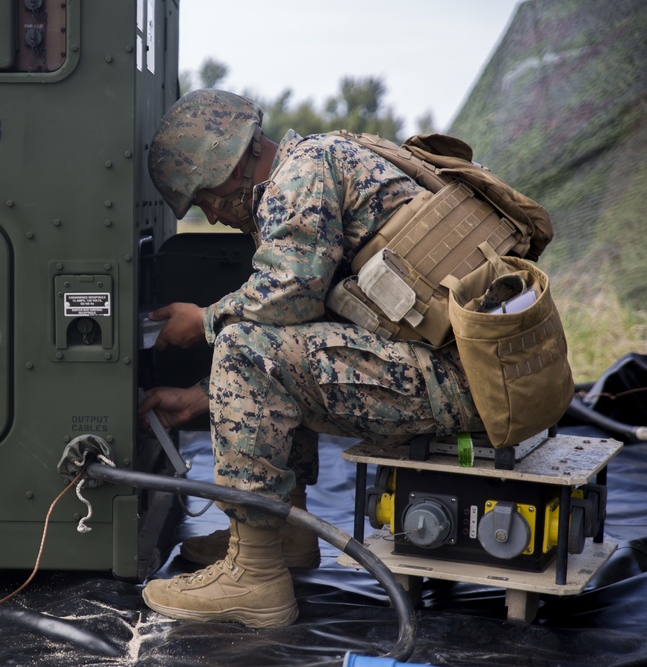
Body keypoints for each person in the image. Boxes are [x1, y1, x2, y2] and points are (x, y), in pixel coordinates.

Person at [139, 89, 485, 628]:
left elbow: (289, 297)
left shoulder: (301, 175)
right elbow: (312, 334)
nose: (210, 214)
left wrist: (204, 322)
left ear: (231, 168)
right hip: (445, 370)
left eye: (205, 198)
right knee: (269, 339)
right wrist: (205, 399)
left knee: (244, 343)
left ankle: (255, 575)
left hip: (453, 383)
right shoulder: (315, 163)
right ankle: (288, 533)